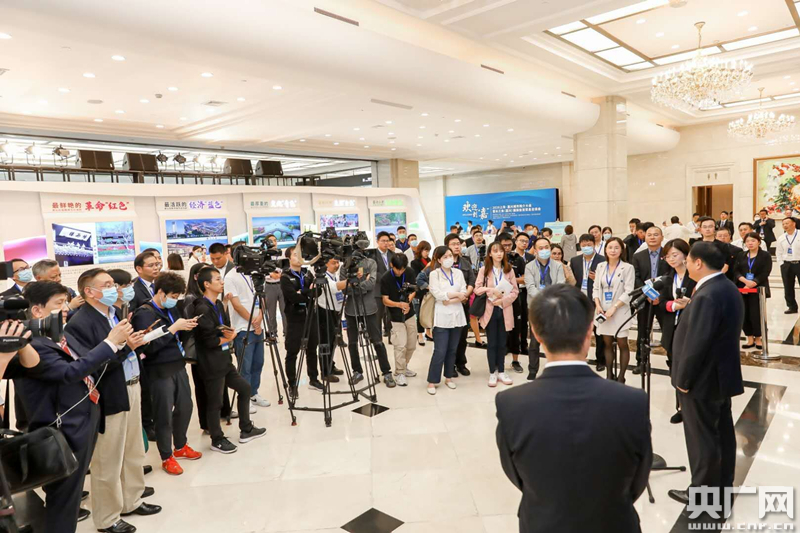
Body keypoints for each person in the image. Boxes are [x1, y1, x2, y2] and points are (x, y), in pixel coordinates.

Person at [496, 284, 652, 533]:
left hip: (543, 523)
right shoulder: (632, 401)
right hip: (613, 522)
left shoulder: (512, 403)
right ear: (590, 330)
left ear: (535, 333)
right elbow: (638, 479)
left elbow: (517, 475)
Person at [10, 282, 127, 533]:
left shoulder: (61, 334)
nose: (66, 308)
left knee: (71, 496)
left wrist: (118, 345)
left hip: (83, 419)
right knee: (62, 501)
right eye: (59, 303)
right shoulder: (32, 344)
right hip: (62, 430)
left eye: (65, 302)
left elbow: (86, 361)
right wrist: (109, 343)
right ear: (37, 311)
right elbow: (69, 372)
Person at [65, 268, 159, 533]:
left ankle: (131, 499)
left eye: (113, 284)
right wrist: (126, 347)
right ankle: (107, 517)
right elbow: (91, 365)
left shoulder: (114, 313)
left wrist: (132, 344)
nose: (113, 289)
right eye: (106, 285)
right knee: (108, 458)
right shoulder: (80, 323)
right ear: (89, 291)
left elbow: (122, 348)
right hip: (109, 393)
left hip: (131, 384)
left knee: (132, 449)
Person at [668, 242, 744, 507]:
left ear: (698, 263)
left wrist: (683, 381)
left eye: (688, 260)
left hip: (701, 381)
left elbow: (696, 344)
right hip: (720, 377)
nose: (686, 264)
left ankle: (702, 494)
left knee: (702, 440)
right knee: (721, 434)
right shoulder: (725, 287)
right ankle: (722, 486)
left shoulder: (707, 295)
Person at [131, 272, 202, 476]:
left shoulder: (173, 309)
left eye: (177, 296)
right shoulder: (144, 313)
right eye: (172, 296)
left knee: (185, 406)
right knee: (163, 415)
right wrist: (172, 329)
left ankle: (180, 445)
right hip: (159, 369)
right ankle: (166, 456)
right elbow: (147, 346)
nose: (175, 299)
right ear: (161, 292)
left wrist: (186, 327)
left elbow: (177, 336)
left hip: (178, 364)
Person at [194, 268, 266, 454]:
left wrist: (228, 335)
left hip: (224, 360)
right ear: (206, 284)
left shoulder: (218, 304)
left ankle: (246, 428)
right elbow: (209, 340)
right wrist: (229, 338)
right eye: (218, 279)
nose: (222, 282)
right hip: (211, 362)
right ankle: (216, 439)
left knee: (245, 388)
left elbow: (224, 327)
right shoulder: (201, 308)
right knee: (215, 402)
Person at [340, 242, 396, 387]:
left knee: (377, 341)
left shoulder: (371, 263)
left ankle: (386, 372)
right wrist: (360, 284)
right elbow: (344, 289)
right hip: (351, 310)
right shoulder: (344, 267)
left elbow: (371, 283)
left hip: (369, 308)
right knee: (352, 343)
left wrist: (355, 285)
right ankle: (357, 371)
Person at [658, 239, 696, 425]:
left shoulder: (695, 276)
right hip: (672, 328)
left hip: (691, 328)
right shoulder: (666, 278)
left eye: (675, 255)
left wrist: (690, 303)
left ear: (685, 255)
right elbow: (661, 303)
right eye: (667, 256)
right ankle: (680, 407)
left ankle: (692, 406)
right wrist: (673, 305)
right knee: (675, 367)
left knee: (690, 367)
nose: (671, 259)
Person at [224, 258, 271, 409]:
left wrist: (260, 318)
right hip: (243, 328)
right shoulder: (230, 277)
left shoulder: (255, 273)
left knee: (258, 363)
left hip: (258, 326)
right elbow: (236, 305)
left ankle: (254, 393)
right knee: (245, 366)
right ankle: (244, 399)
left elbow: (262, 297)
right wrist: (253, 322)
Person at [473, 242, 519, 386]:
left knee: (502, 343)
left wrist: (503, 301)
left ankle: (502, 372)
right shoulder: (484, 270)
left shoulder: (509, 270)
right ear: (490, 254)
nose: (499, 254)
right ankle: (492, 372)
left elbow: (515, 291)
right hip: (490, 310)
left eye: (501, 251)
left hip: (504, 309)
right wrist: (491, 290)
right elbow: (477, 289)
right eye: (495, 251)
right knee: (492, 343)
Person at [280, 246, 324, 395]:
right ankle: (292, 384)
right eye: (294, 255)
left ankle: (314, 379)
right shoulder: (285, 277)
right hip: (294, 319)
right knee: (292, 352)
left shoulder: (307, 273)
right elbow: (293, 297)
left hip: (310, 315)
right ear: (288, 258)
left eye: (299, 254)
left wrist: (303, 292)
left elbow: (318, 291)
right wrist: (308, 292)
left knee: (312, 349)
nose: (298, 257)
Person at [592, 237, 635, 383]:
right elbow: (596, 288)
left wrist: (614, 308)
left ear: (622, 250)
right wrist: (598, 305)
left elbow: (629, 292)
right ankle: (609, 375)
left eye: (616, 247)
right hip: (603, 311)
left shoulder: (628, 267)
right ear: (605, 249)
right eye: (610, 247)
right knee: (607, 343)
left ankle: (621, 377)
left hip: (619, 310)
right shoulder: (600, 266)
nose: (613, 250)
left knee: (623, 344)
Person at [524, 237, 566, 380]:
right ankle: (533, 370)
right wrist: (544, 300)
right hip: (536, 307)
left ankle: (555, 369)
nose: (544, 250)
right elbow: (530, 287)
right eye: (540, 248)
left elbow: (560, 284)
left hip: (554, 307)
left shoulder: (558, 265)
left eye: (546, 247)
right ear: (535, 250)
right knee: (534, 341)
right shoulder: (529, 266)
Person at [426, 246, 467, 395]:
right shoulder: (434, 274)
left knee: (452, 350)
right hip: (441, 317)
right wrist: (456, 295)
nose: (449, 259)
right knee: (440, 350)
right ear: (439, 259)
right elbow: (437, 293)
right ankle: (432, 381)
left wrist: (450, 299)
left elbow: (464, 292)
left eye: (450, 255)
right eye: (445, 257)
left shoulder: (458, 273)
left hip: (457, 316)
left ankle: (448, 377)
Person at [631, 225, 668, 375]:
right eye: (649, 235)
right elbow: (636, 277)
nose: (652, 237)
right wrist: (649, 294)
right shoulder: (638, 256)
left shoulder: (668, 254)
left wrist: (659, 295)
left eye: (656, 234)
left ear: (662, 237)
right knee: (642, 332)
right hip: (645, 298)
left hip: (663, 299)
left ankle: (673, 361)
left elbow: (670, 276)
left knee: (668, 331)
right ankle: (641, 362)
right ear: (645, 237)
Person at [570, 234, 606, 372]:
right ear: (580, 245)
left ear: (594, 244)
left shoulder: (602, 260)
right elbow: (573, 280)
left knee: (599, 331)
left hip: (597, 299)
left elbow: (608, 280)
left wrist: (598, 278)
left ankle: (600, 359)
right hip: (580, 300)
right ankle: (580, 357)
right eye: (584, 245)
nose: (586, 247)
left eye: (589, 245)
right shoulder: (575, 260)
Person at [381, 254, 417, 386]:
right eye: (398, 269)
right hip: (395, 316)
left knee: (411, 344)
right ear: (392, 265)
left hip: (410, 313)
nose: (400, 272)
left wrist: (407, 303)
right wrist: (399, 305)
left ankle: (405, 366)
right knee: (400, 345)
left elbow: (413, 290)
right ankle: (400, 372)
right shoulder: (386, 278)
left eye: (402, 269)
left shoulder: (410, 272)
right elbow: (385, 300)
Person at [734, 232, 772, 350]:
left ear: (759, 242)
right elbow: (736, 270)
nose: (750, 243)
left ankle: (758, 338)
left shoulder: (765, 255)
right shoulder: (741, 255)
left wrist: (753, 283)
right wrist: (745, 281)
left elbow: (766, 272)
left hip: (758, 288)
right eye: (747, 241)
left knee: (756, 314)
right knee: (744, 313)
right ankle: (749, 338)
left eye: (753, 241)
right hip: (743, 288)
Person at [445, 233, 475, 376]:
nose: (457, 246)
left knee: (462, 336)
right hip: (448, 304)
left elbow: (472, 281)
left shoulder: (465, 262)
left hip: (463, 304)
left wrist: (465, 295)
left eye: (458, 244)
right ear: (447, 246)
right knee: (449, 336)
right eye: (453, 244)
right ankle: (449, 365)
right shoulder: (442, 263)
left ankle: (461, 363)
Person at [317, 256, 346, 383]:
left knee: (333, 341)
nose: (337, 265)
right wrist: (350, 281)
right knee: (325, 342)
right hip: (325, 311)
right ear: (326, 264)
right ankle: (325, 371)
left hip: (335, 311)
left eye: (338, 262)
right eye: (334, 263)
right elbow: (335, 287)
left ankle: (330, 365)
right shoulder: (323, 277)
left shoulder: (335, 275)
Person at [262, 234, 288, 338]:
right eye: (271, 241)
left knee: (285, 311)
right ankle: (272, 333)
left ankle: (287, 332)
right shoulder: (264, 256)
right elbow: (261, 270)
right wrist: (270, 274)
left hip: (281, 285)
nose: (274, 242)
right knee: (271, 313)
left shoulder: (281, 254)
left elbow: (286, 267)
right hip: (269, 286)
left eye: (275, 240)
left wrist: (281, 274)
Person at [369, 232, 395, 337]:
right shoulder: (372, 255)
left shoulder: (392, 254)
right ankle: (377, 339)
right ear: (377, 241)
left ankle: (391, 336)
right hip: (378, 289)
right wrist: (386, 279)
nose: (385, 243)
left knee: (391, 315)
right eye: (383, 241)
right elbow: (373, 272)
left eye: (387, 241)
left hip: (391, 290)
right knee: (377, 316)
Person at [777, 216, 800, 314]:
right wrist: (781, 264)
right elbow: (778, 252)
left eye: (787, 223)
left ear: (794, 224)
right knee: (788, 286)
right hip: (787, 264)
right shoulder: (781, 238)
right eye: (783, 224)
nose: (785, 225)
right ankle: (792, 307)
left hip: (799, 262)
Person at [411, 241, 432, 346]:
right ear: (420, 250)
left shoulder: (429, 260)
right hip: (420, 291)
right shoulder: (415, 262)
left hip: (429, 290)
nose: (427, 253)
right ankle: (420, 335)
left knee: (428, 312)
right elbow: (416, 277)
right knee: (419, 313)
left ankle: (428, 332)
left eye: (428, 251)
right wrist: (426, 267)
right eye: (425, 250)